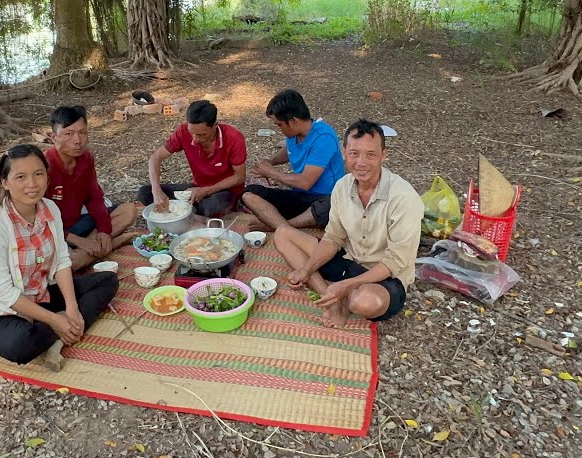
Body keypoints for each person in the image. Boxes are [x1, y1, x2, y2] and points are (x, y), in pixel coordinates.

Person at [0, 144, 119, 370]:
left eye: (38, 174)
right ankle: (60, 328)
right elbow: (2, 292)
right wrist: (53, 320)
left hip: (41, 294)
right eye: (20, 176)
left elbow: (61, 259)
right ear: (4, 182)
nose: (32, 184)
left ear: (47, 177)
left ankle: (60, 332)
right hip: (1, 311)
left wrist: (71, 307)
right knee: (20, 345)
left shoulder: (49, 209)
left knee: (107, 280)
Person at [273, 119, 422, 328]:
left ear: (383, 156)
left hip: (384, 274)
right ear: (344, 152)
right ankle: (332, 299)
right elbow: (333, 237)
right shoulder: (342, 186)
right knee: (282, 233)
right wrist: (306, 269)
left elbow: (394, 263)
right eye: (354, 153)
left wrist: (346, 285)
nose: (361, 162)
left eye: (371, 155)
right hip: (348, 259)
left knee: (365, 302)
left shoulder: (404, 198)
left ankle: (340, 295)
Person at [45, 105, 139, 270]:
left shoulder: (86, 158)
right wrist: (77, 240)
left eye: (82, 133)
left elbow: (94, 198)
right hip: (54, 233)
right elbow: (39, 220)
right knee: (68, 264)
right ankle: (112, 243)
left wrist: (103, 230)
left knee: (129, 210)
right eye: (68, 134)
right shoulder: (43, 166)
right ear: (54, 137)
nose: (77, 140)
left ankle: (95, 247)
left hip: (80, 224)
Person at [241, 89, 346, 230]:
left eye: (279, 125)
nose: (279, 129)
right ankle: (283, 223)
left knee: (331, 206)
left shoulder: (324, 138)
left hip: (322, 199)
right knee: (249, 194)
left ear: (293, 121)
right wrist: (270, 161)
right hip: (299, 196)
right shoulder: (294, 134)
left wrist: (271, 173)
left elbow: (304, 183)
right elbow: (289, 151)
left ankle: (281, 226)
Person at [138, 99, 247, 217]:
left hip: (224, 191)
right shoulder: (183, 131)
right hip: (196, 188)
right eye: (192, 133)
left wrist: (206, 191)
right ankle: (188, 210)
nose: (195, 139)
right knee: (145, 193)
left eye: (202, 135)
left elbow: (239, 177)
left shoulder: (234, 138)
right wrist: (156, 191)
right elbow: (155, 157)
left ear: (215, 125)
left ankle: (183, 210)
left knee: (215, 204)